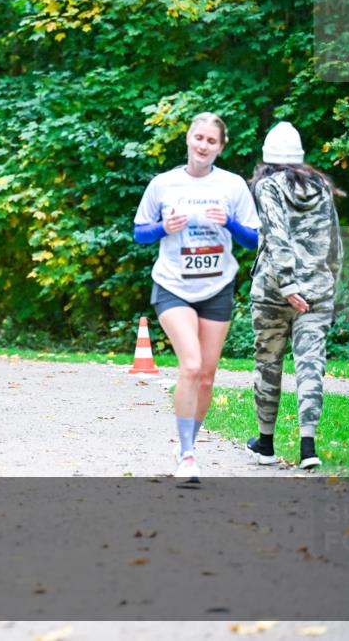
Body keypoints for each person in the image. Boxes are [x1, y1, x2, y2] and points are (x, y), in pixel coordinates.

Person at [133, 112, 261, 483]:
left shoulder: (233, 186)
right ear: (188, 139)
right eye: (198, 138)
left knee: (206, 375)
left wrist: (230, 224)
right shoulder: (163, 184)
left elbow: (254, 239)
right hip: (173, 284)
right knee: (190, 365)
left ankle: (189, 442)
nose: (203, 146)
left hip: (217, 286)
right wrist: (163, 228)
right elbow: (139, 233)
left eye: (211, 141)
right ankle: (187, 454)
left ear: (221, 147)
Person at [247, 122, 343, 470]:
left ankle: (266, 445)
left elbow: (275, 235)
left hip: (274, 292)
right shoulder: (321, 186)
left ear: (267, 158)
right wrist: (329, 283)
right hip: (317, 292)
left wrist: (288, 286)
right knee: (311, 365)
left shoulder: (268, 185)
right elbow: (335, 241)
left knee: (269, 363)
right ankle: (308, 447)